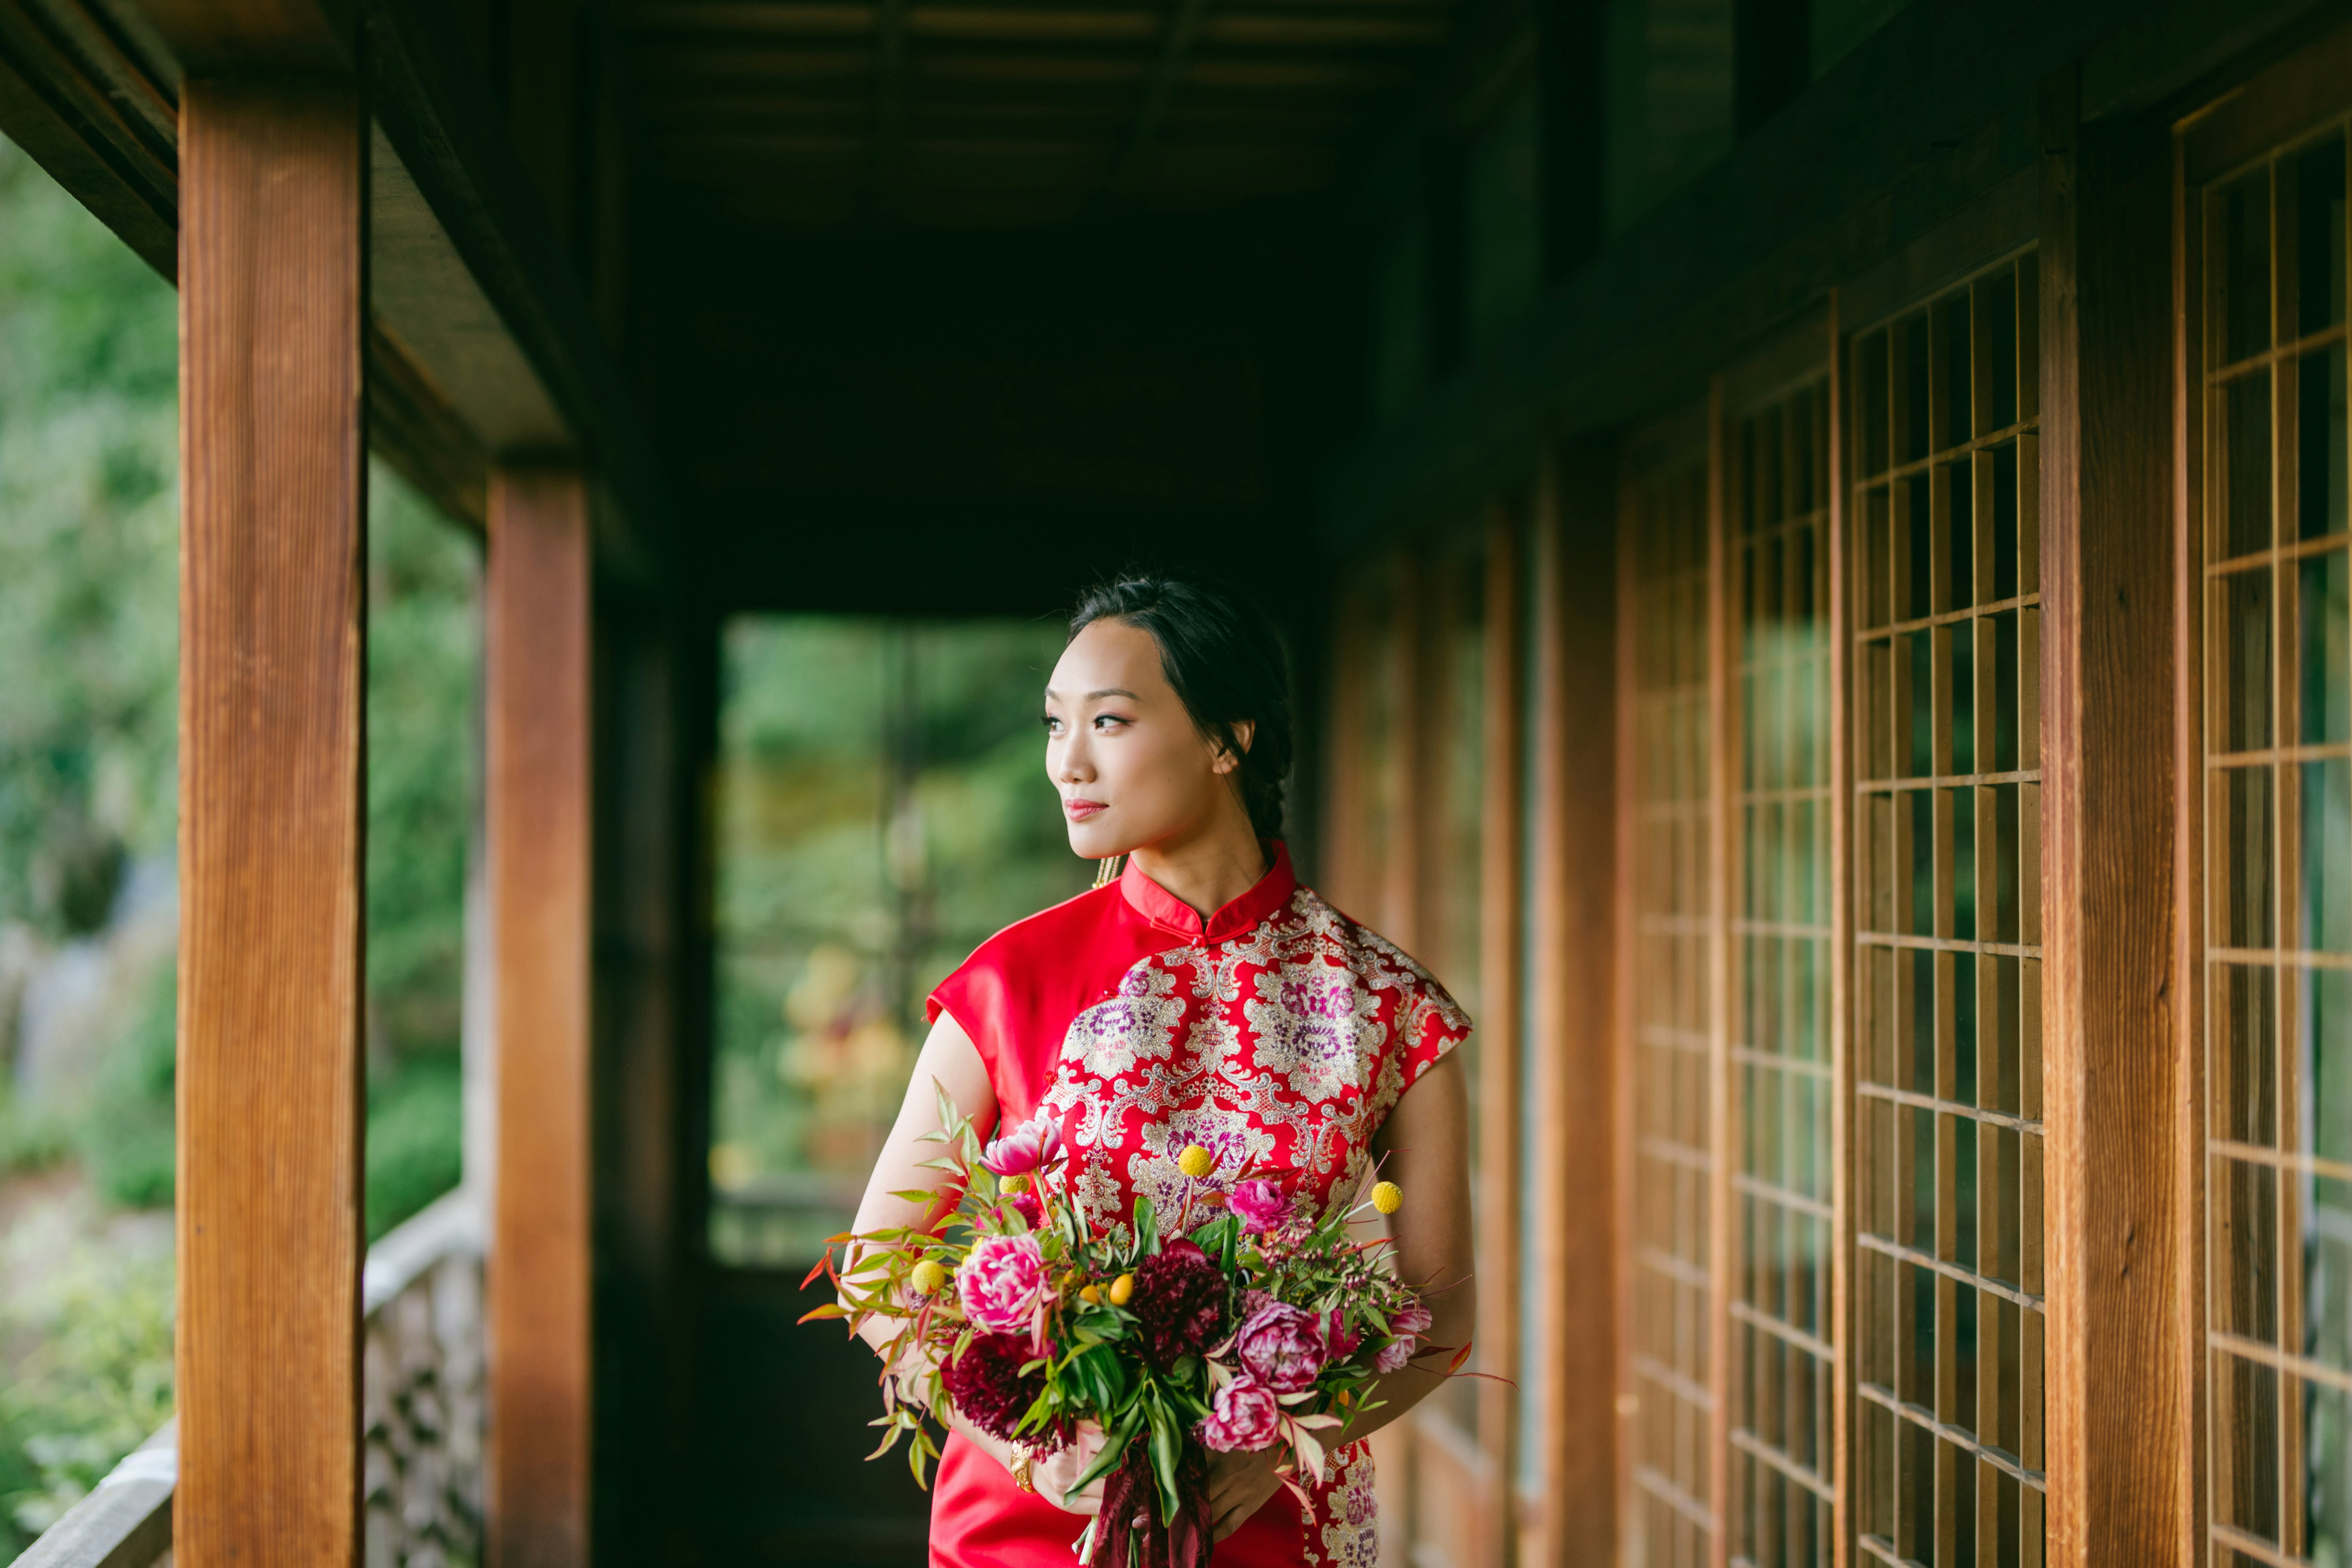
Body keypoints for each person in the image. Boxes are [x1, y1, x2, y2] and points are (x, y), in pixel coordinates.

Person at [850, 573, 1475, 1568]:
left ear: (1227, 739)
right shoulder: (1009, 980)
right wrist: (1033, 1448)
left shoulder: (1389, 1004)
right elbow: (874, 1274)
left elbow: (1438, 1316)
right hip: (1033, 1525)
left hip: (1268, 1521)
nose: (1067, 761)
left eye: (1108, 721)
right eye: (1054, 724)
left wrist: (1285, 1441)